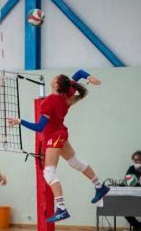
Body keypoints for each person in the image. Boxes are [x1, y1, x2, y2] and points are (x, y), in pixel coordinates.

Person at [7, 70, 110, 223]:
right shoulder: (67, 91)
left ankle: (61, 208)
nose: (54, 77)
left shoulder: (50, 101)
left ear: (56, 84)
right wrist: (89, 77)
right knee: (75, 162)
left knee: (48, 173)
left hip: (55, 136)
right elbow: (79, 72)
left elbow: (40, 127)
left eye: (56, 77)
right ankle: (99, 186)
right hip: (60, 133)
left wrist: (19, 121)